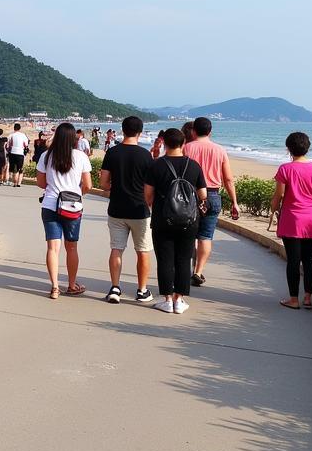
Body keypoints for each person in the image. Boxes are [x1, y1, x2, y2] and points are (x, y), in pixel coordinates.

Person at [144, 128, 208, 315]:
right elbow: (203, 194)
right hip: (189, 221)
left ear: (164, 142)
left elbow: (148, 195)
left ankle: (167, 299)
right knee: (183, 258)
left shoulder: (156, 166)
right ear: (183, 143)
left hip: (163, 219)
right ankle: (179, 300)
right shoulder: (194, 166)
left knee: (165, 259)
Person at [270, 132, 312, 309]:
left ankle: (294, 299)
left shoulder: (285, 169)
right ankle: (308, 298)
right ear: (308, 147)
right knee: (309, 259)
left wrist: (273, 208)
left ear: (288, 148)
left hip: (292, 219)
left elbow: (279, 194)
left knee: (294, 261)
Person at [100, 116, 154, 304]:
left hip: (116, 208)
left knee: (116, 249)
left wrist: (115, 186)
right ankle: (142, 290)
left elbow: (103, 183)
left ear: (122, 130)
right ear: (140, 132)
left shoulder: (112, 153)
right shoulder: (146, 155)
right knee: (143, 251)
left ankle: (115, 288)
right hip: (140, 209)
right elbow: (150, 188)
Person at [37, 122, 92, 298]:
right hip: (73, 207)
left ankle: (54, 287)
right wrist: (77, 194)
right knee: (72, 248)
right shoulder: (81, 156)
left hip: (50, 205)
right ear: (73, 138)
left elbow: (41, 183)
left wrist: (54, 187)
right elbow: (88, 185)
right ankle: (71, 285)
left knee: (53, 248)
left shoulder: (46, 156)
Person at [183, 117, 239, 286]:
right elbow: (228, 179)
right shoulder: (220, 150)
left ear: (193, 131)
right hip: (212, 195)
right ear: (210, 131)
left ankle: (185, 270)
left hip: (189, 195)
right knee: (205, 237)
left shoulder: (187, 148)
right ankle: (198, 271)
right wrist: (234, 202)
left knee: (187, 235)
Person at [7, 122, 30, 188]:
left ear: (14, 128)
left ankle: (14, 183)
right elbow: (26, 144)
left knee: (14, 169)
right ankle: (19, 183)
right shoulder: (23, 135)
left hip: (12, 153)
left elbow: (8, 145)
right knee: (20, 168)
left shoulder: (11, 135)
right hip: (20, 153)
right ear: (20, 128)